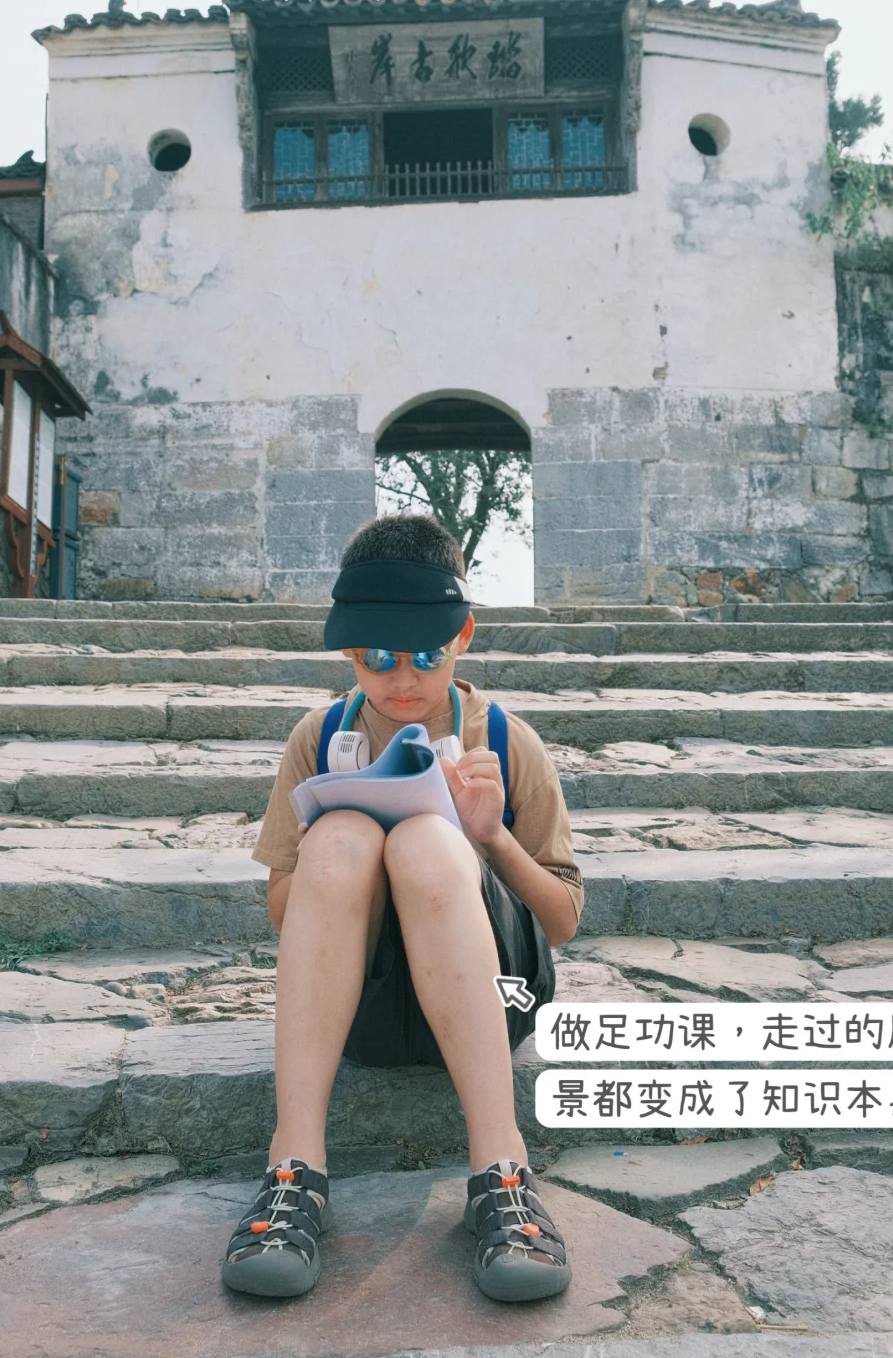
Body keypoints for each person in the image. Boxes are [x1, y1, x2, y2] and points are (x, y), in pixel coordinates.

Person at [221, 513, 584, 1303]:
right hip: (361, 1007)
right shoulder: (319, 737)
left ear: (463, 637)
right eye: (377, 658)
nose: (403, 679)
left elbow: (562, 921)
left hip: (496, 996)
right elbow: (282, 911)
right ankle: (294, 1169)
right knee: (344, 836)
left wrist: (490, 837)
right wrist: (332, 853)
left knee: (426, 842)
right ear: (350, 651)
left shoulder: (505, 741)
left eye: (427, 654)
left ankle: (503, 1171)